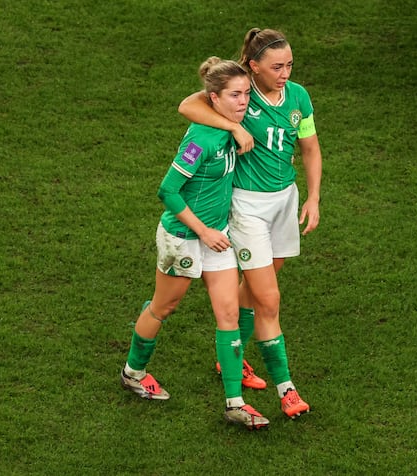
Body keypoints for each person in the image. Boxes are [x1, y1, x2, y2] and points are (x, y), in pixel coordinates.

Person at [178, 28, 322, 419]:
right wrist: (234, 126)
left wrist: (313, 196)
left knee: (258, 289)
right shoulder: (240, 93)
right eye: (276, 66)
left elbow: (308, 146)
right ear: (253, 66)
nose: (285, 73)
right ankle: (287, 390)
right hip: (247, 208)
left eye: (290, 64)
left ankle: (232, 357)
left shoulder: (298, 96)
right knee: (269, 299)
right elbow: (188, 106)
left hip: (284, 202)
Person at [121, 56, 269, 430]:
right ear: (214, 99)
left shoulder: (231, 126)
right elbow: (167, 191)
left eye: (246, 93)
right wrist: (204, 231)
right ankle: (132, 373)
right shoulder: (202, 139)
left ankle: (235, 404)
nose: (243, 102)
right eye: (234, 95)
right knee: (164, 306)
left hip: (216, 238)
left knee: (229, 314)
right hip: (184, 237)